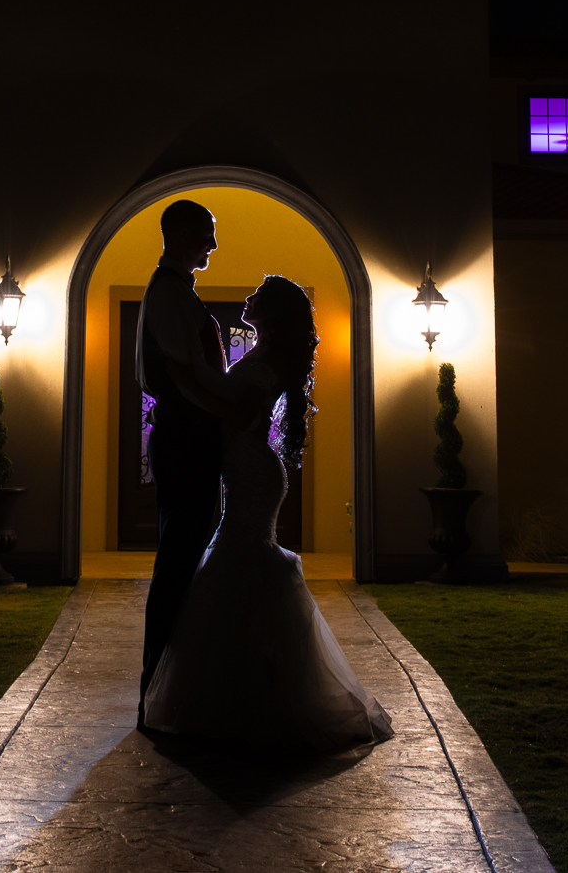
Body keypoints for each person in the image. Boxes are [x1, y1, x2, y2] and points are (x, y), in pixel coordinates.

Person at [142, 275, 395, 751]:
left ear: (272, 312)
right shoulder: (263, 354)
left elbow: (244, 418)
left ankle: (251, 696)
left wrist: (185, 387)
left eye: (257, 293)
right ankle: (250, 684)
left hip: (252, 471)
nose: (247, 296)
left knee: (240, 561)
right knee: (243, 563)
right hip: (248, 469)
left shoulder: (270, 361)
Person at [134, 199, 228, 729]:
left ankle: (170, 689)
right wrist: (230, 407)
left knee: (185, 562)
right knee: (177, 564)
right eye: (206, 234)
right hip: (185, 437)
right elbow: (185, 377)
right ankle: (156, 693)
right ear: (183, 232)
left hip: (191, 435)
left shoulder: (176, 293)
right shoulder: (168, 294)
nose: (212, 246)